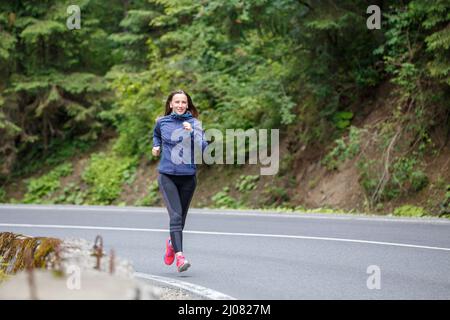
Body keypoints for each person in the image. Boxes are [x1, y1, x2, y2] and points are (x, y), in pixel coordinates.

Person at [152, 89, 208, 272]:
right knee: (175, 216)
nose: (180, 105)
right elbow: (156, 135)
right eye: (177, 102)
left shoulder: (194, 124)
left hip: (188, 178)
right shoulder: (162, 122)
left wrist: (192, 132)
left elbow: (204, 147)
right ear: (171, 104)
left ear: (188, 105)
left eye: (183, 102)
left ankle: (171, 243)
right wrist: (156, 146)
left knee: (181, 220)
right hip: (167, 175)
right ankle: (180, 257)